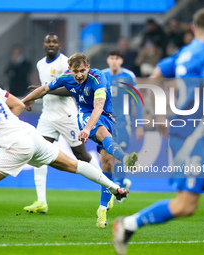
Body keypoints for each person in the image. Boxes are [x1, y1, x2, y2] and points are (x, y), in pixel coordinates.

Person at [0, 42, 129, 237]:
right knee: (74, 164)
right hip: (29, 134)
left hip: (15, 145)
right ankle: (114, 187)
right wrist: (9, 122)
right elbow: (18, 104)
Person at [112, 8, 204, 255]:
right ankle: (128, 224)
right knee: (185, 205)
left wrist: (159, 114)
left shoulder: (184, 53)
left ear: (193, 28)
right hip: (192, 135)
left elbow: (154, 77)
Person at [22, 53, 138, 229]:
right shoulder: (66, 78)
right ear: (70, 70)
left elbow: (99, 107)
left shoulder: (98, 78)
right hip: (86, 116)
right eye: (75, 71)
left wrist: (85, 129)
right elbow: (45, 89)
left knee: (107, 164)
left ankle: (102, 209)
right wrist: (23, 101)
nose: (79, 75)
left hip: (106, 116)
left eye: (82, 71)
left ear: (88, 68)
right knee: (101, 133)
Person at [23, 33, 101, 214]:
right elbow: (42, 87)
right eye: (48, 41)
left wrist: (45, 92)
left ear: (60, 44)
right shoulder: (40, 64)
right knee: (38, 153)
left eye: (55, 42)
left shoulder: (67, 63)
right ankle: (41, 201)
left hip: (67, 116)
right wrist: (33, 98)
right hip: (47, 116)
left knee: (81, 155)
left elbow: (72, 90)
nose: (51, 44)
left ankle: (107, 188)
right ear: (44, 44)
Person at [102, 49, 144, 206]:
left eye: (117, 58)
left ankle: (119, 187)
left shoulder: (128, 76)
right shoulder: (102, 75)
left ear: (121, 61)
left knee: (120, 155)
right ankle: (121, 183)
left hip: (123, 122)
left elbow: (137, 101)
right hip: (106, 122)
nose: (114, 60)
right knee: (109, 157)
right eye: (111, 57)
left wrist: (139, 125)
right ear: (108, 60)